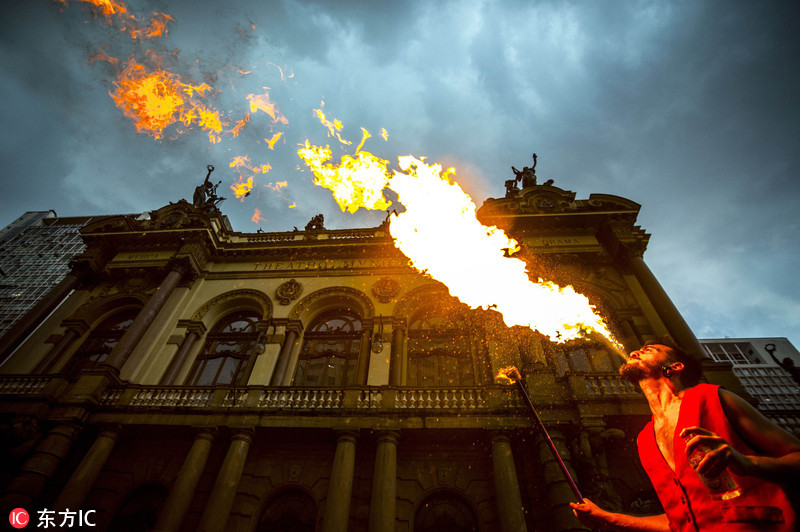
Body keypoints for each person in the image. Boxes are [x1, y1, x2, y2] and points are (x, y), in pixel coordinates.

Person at [571, 335, 800, 531]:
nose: (635, 352)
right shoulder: (645, 439)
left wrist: (746, 463)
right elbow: (678, 522)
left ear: (675, 367)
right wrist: (610, 517)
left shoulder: (712, 397)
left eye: (648, 350)